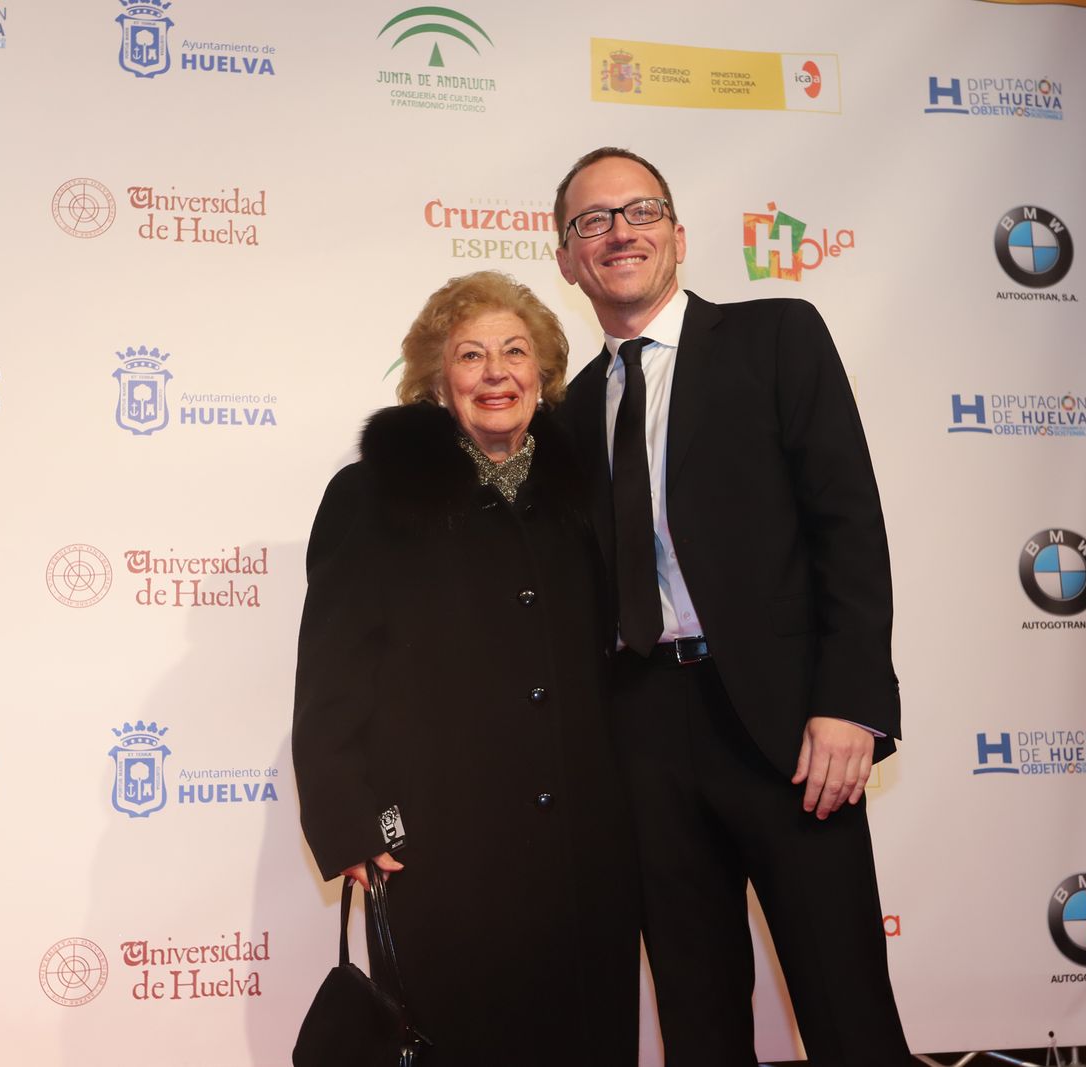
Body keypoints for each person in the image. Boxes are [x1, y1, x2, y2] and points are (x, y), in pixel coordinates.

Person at [551, 147, 913, 1065]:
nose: (619, 231)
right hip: (642, 738)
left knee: (848, 1013)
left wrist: (852, 701)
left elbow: (849, 524)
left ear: (678, 234)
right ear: (566, 259)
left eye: (639, 211)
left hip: (792, 728)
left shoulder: (777, 336)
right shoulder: (569, 412)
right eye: (592, 221)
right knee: (698, 1020)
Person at [292, 270, 639, 1067]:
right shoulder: (373, 495)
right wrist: (351, 818)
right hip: (444, 847)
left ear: (544, 374)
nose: (496, 372)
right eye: (471, 354)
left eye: (515, 352)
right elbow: (333, 670)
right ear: (437, 380)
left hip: (584, 849)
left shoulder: (583, 493)